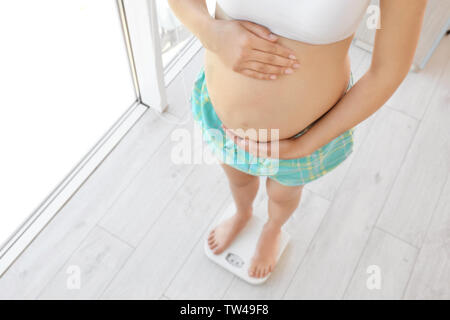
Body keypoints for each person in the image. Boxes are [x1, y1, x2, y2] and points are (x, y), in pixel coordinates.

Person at [168, 0, 428, 279]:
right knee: (237, 178)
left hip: (306, 133)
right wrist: (209, 32)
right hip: (223, 122)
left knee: (282, 195)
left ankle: (272, 229)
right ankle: (242, 214)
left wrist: (305, 145)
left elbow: (387, 71)